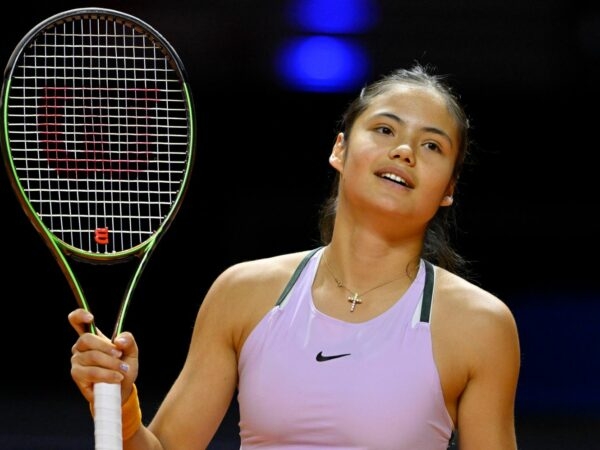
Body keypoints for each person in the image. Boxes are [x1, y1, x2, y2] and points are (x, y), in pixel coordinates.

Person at [69, 62, 521, 450]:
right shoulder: (242, 293)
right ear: (340, 149)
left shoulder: (479, 326)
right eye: (385, 130)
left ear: (449, 190)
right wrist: (121, 405)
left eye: (432, 146)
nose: (404, 151)